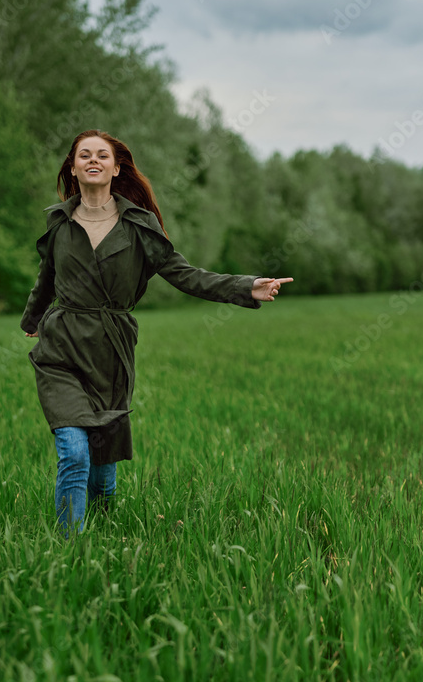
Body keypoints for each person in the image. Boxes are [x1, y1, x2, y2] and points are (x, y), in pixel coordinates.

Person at [20, 129, 293, 540]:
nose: (93, 160)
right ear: (73, 169)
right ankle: (68, 550)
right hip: (61, 348)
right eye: (84, 155)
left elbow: (184, 275)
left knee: (103, 470)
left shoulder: (138, 226)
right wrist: (32, 319)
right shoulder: (59, 222)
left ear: (115, 168)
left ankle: (103, 531)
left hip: (111, 351)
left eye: (102, 155)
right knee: (74, 452)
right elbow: (47, 278)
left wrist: (244, 286)